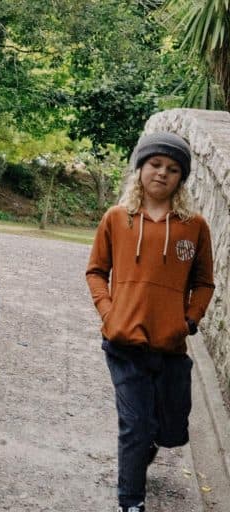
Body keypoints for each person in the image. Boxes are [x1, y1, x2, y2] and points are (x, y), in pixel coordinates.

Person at [86, 132, 215, 512]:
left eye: (173, 169)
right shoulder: (116, 218)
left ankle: (154, 440)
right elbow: (96, 271)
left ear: (182, 178)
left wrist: (189, 320)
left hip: (170, 345)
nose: (162, 174)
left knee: (171, 428)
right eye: (155, 164)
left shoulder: (195, 226)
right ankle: (131, 501)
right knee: (133, 425)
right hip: (123, 343)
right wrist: (109, 312)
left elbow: (204, 282)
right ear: (140, 168)